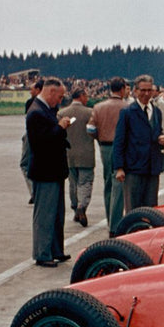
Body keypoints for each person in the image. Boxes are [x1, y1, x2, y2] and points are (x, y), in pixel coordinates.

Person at [26, 78, 73, 266]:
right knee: (45, 215)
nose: (60, 101)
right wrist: (60, 127)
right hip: (45, 171)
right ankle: (42, 253)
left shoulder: (46, 110)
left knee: (56, 215)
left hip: (54, 171)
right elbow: (41, 143)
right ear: (51, 92)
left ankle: (55, 249)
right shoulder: (36, 112)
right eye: (59, 96)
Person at [113, 74, 164, 211]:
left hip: (152, 168)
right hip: (134, 168)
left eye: (149, 90)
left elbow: (157, 131)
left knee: (151, 208)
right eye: (143, 90)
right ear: (135, 91)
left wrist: (161, 138)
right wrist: (119, 167)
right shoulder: (127, 112)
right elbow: (119, 141)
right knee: (133, 208)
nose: (146, 93)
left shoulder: (156, 112)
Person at [88, 76, 129, 235]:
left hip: (104, 146)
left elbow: (90, 129)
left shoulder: (98, 107)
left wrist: (99, 138)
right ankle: (115, 224)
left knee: (108, 184)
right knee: (118, 184)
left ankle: (109, 218)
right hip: (121, 147)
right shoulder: (127, 107)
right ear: (122, 89)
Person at [59, 80, 95, 226]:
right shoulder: (90, 112)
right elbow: (94, 131)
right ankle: (82, 206)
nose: (87, 99)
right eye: (86, 96)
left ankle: (75, 209)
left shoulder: (62, 113)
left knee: (72, 183)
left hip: (69, 155)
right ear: (81, 96)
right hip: (86, 154)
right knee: (85, 183)